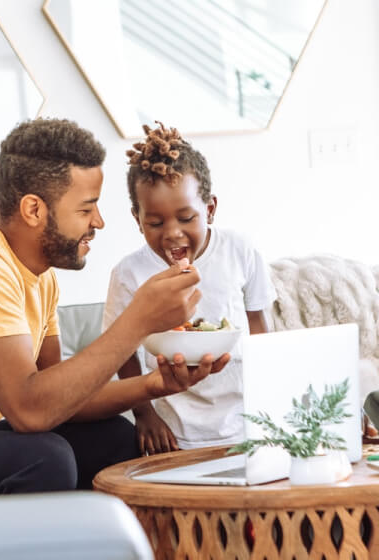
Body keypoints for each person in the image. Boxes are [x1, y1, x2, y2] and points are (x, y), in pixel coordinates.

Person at [0, 117, 228, 501]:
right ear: (34, 210)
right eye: (86, 209)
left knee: (115, 439)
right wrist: (139, 320)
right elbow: (30, 411)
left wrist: (153, 385)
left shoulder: (41, 277)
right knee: (44, 459)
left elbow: (60, 398)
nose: (99, 222)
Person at [102, 122, 277, 455]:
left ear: (209, 209)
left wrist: (272, 403)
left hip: (247, 422)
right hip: (175, 430)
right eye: (155, 222)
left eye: (186, 218)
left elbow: (260, 326)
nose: (172, 233)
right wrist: (144, 415)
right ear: (137, 219)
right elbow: (122, 354)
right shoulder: (129, 274)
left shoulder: (240, 249)